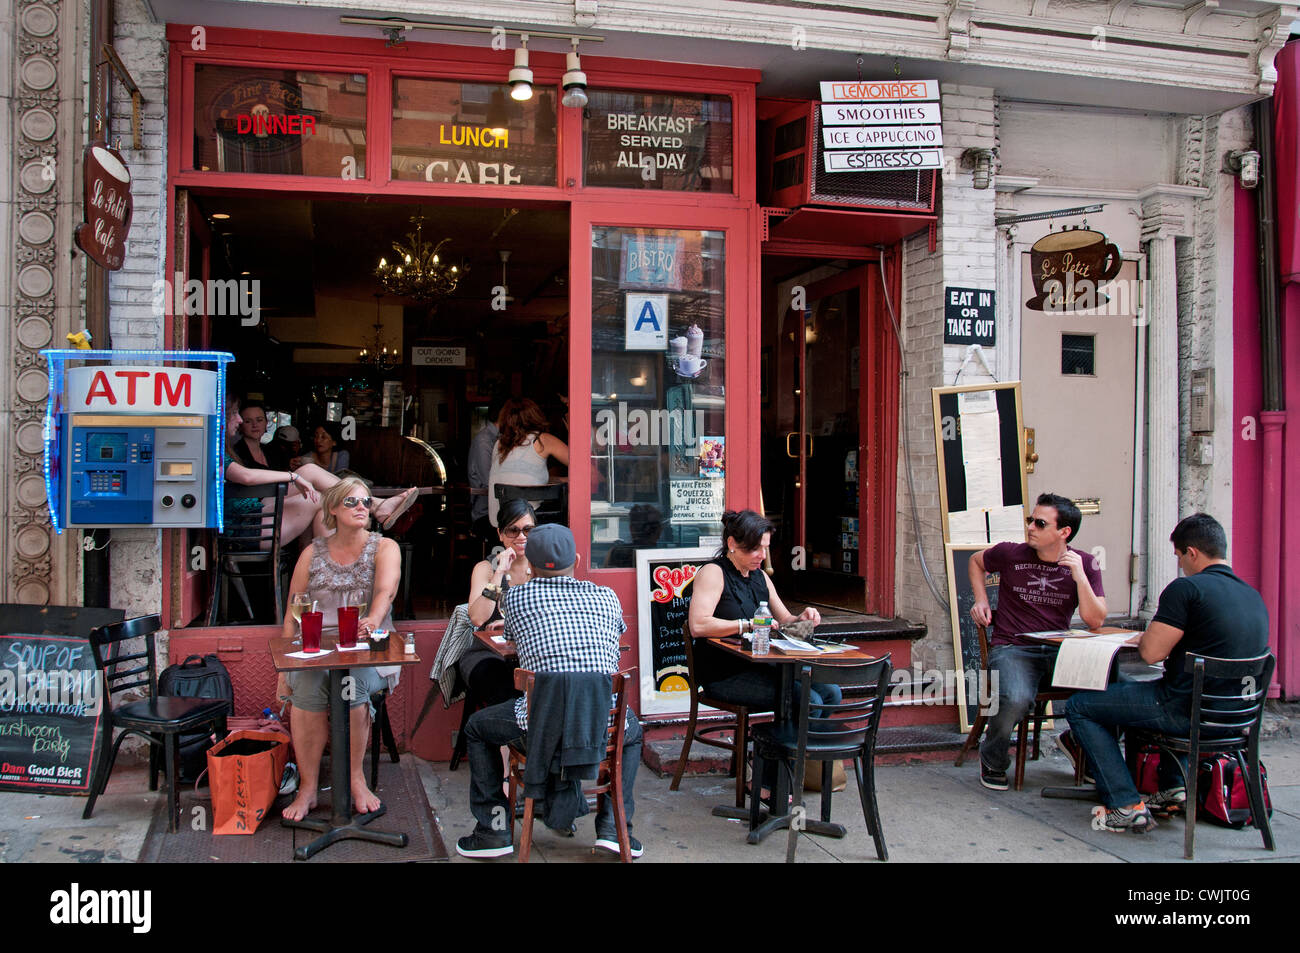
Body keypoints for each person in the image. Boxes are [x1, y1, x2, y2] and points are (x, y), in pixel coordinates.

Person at [1060, 513, 1269, 833]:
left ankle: (1125, 803)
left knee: (1080, 705)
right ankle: (1172, 788)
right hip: (1236, 719)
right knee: (1123, 686)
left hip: (1182, 711)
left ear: (1192, 553)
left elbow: (1151, 654)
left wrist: (1149, 637)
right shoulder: (1252, 596)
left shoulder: (1186, 589)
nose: (1180, 565)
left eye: (1179, 557)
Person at [455, 524, 643, 860]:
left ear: (530, 567)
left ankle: (493, 831)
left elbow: (509, 635)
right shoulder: (607, 597)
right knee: (632, 731)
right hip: (600, 726)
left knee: (476, 728)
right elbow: (615, 639)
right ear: (578, 559)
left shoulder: (516, 598)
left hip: (540, 728)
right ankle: (614, 831)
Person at [278, 477, 403, 822]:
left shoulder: (384, 547)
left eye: (365, 501)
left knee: (352, 686)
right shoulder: (312, 552)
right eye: (351, 502)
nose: (361, 507)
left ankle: (356, 778)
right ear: (332, 509)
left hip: (371, 644)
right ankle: (308, 788)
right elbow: (293, 611)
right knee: (305, 689)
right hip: (319, 648)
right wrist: (285, 670)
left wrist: (373, 619)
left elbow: (385, 591)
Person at [969, 492, 1106, 791]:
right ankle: (992, 759)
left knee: (1111, 683)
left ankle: (1081, 746)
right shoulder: (1011, 553)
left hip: (1060, 649)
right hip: (1014, 648)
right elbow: (976, 561)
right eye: (1031, 520)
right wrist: (981, 600)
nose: (1031, 527)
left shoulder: (1085, 563)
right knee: (1016, 698)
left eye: (1040, 523)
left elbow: (1096, 620)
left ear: (1064, 532)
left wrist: (1080, 576)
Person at [687, 509, 841, 719]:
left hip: (762, 667)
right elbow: (698, 626)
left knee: (832, 693)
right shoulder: (714, 573)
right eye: (754, 548)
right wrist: (748, 624)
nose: (762, 555)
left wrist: (802, 620)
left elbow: (785, 621)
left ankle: (802, 750)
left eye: (765, 548)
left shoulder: (760, 577)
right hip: (725, 673)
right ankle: (779, 750)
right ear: (732, 544)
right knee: (809, 699)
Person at [223, 399, 418, 542]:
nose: (240, 420)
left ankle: (317, 581)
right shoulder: (217, 452)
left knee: (321, 500)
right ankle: (374, 506)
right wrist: (293, 476)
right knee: (310, 472)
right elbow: (246, 476)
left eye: (257, 419)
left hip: (259, 516)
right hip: (247, 526)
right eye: (235, 414)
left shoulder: (261, 451)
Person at [457, 498, 537, 706]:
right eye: (513, 530)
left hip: (530, 653)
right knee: (501, 684)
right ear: (500, 534)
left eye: (528, 529)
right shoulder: (486, 568)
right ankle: (504, 735)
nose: (521, 536)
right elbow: (477, 618)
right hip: (487, 654)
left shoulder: (543, 568)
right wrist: (499, 573)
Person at [487, 397, 568, 527]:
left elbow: (519, 478)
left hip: (500, 521)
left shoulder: (499, 444)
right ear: (535, 415)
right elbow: (583, 465)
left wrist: (561, 480)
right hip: (532, 523)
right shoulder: (541, 440)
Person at [468, 399, 502, 544]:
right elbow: (489, 480)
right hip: (485, 514)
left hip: (498, 510)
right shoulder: (484, 441)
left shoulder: (497, 438)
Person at [230, 399, 292, 471]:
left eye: (259, 420)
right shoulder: (235, 454)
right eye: (248, 421)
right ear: (240, 425)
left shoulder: (271, 451)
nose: (255, 425)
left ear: (266, 423)